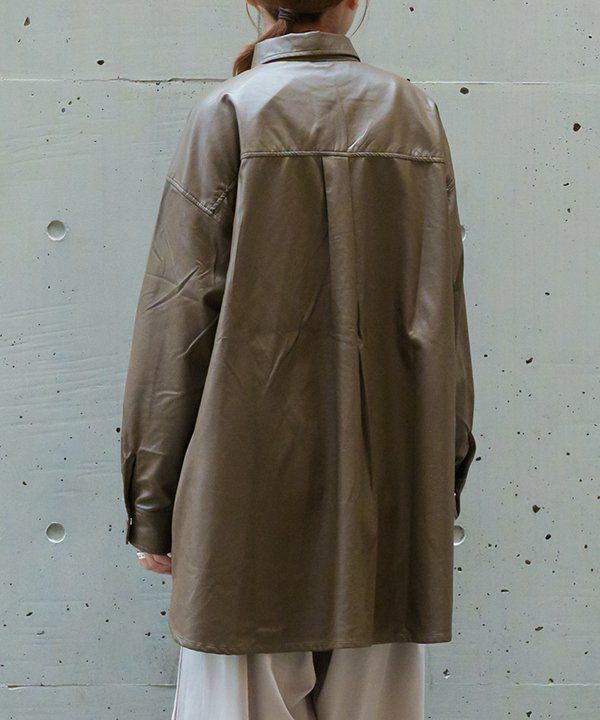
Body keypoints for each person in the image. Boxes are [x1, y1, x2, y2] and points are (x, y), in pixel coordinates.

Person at [119, 1, 477, 718]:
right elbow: (444, 325)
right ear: (353, 3)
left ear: (257, 4)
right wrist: (440, 483)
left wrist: (153, 507)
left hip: (240, 519)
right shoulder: (414, 116)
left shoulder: (228, 112)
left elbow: (177, 321)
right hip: (389, 514)